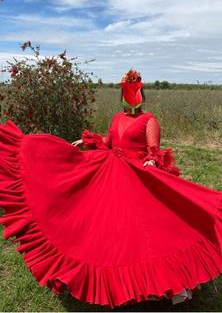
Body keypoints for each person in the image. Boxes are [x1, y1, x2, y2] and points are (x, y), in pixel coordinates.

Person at [0, 69, 221, 310]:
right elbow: (108, 142)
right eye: (126, 93)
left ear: (140, 95)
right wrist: (86, 142)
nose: (129, 98)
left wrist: (151, 161)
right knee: (111, 229)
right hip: (110, 171)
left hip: (137, 177)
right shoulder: (117, 118)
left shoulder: (149, 120)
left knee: (148, 234)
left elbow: (153, 149)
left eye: (133, 93)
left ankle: (171, 284)